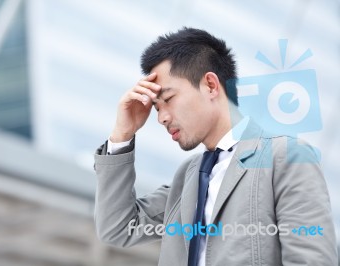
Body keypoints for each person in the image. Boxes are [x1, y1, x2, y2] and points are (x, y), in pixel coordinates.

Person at [93, 27, 338, 266]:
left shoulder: (285, 157)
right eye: (156, 108)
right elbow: (119, 228)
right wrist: (122, 135)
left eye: (168, 100)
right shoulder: (188, 177)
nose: (161, 118)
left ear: (210, 85)